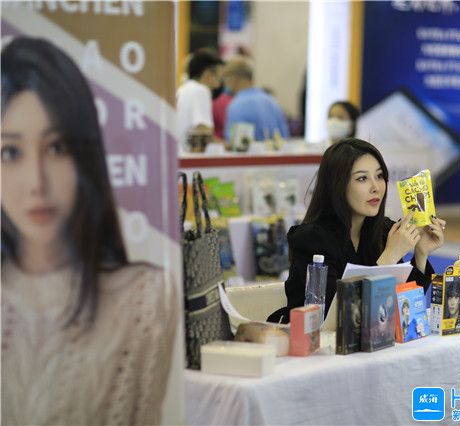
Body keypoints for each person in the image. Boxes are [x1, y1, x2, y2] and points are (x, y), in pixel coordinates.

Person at [1, 37, 178, 425]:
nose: (37, 183)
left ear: (84, 154)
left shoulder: (145, 298)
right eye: (10, 152)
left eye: (57, 148)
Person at [272, 138, 446, 323]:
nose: (376, 187)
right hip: (310, 337)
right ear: (338, 185)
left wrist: (420, 254)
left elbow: (405, 310)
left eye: (379, 176)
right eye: (362, 178)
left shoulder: (383, 231)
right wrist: (389, 257)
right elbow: (335, 316)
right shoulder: (311, 239)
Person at [222, 57, 290, 142]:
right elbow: (284, 137)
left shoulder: (235, 106)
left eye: (225, 78)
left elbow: (235, 144)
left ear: (233, 78)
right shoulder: (272, 102)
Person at [176, 50, 224, 152]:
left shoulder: (182, 90)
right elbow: (203, 132)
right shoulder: (201, 91)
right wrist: (227, 146)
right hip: (190, 157)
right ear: (208, 74)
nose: (219, 85)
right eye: (219, 78)